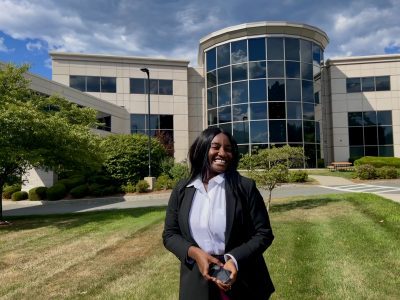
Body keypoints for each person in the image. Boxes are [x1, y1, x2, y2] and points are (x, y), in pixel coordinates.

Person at [162, 127, 275, 300]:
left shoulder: (245, 188)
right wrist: (194, 253)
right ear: (202, 149)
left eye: (228, 149)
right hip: (196, 279)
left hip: (243, 279)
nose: (222, 153)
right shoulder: (182, 189)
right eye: (215, 147)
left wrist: (234, 259)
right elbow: (170, 235)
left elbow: (264, 234)